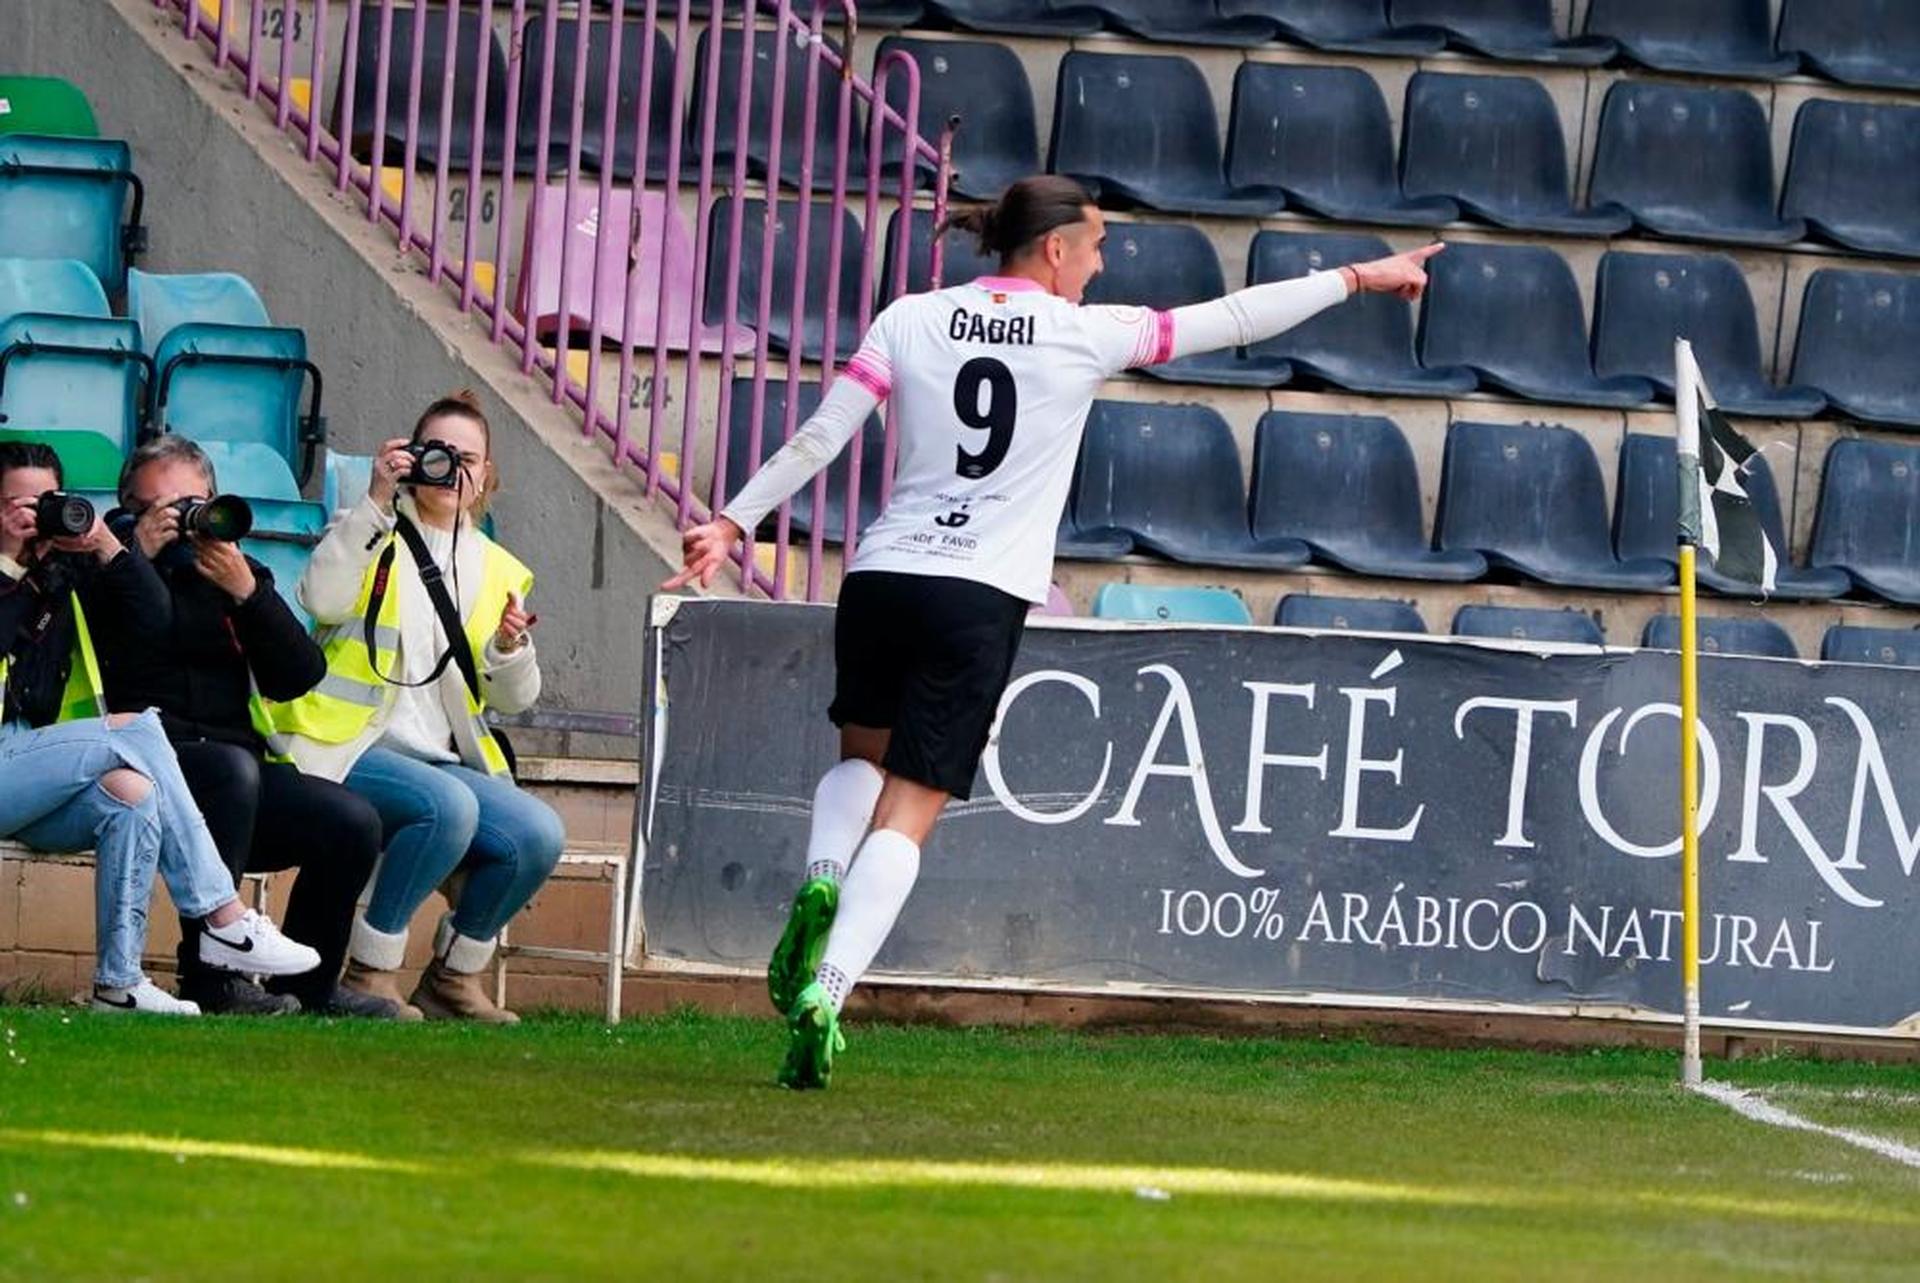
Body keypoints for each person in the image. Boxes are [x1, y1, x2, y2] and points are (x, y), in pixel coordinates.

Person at [667, 176, 1444, 1088]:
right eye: (1099, 244)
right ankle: (828, 991)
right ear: (1055, 250)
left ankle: (822, 873)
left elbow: (823, 434)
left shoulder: (910, 316)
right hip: (977, 592)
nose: (1103, 262)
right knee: (912, 812)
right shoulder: (1083, 332)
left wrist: (731, 522)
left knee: (859, 761)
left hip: (884, 576)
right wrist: (1355, 277)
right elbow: (1233, 317)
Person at [271, 391, 566, 1023]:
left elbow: (515, 700)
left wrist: (511, 648)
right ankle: (369, 971)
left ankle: (452, 979)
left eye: (470, 459)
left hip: (440, 757)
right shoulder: (371, 529)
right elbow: (319, 599)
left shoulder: (500, 569)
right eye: (440, 453)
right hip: (348, 743)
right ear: (412, 457)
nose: (454, 470)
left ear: (487, 474)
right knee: (447, 807)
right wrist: (375, 499)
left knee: (537, 834)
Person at [0, 441, 320, 1013]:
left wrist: (109, 548)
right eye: (14, 504)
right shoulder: (20, 576)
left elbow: (152, 621)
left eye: (44, 501)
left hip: (31, 762)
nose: (31, 516)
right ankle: (222, 915)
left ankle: (117, 984)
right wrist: (8, 558)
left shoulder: (60, 573)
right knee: (138, 731)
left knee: (133, 795)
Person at [101, 435, 397, 1018]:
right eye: (162, 507)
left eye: (194, 504)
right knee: (231, 772)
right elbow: (106, 637)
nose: (183, 522)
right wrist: (135, 558)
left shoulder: (234, 569)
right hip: (142, 768)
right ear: (129, 508)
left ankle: (311, 986)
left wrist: (245, 591)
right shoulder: (106, 566)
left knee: (351, 819)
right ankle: (212, 979)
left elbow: (299, 674)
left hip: (236, 775)